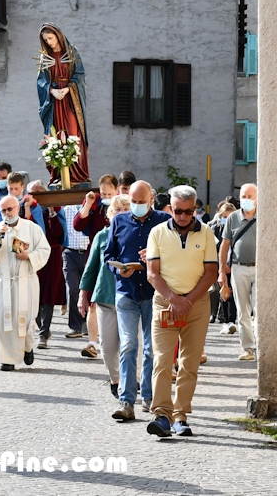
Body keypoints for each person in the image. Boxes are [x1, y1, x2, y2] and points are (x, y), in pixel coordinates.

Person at [145, 186, 218, 437]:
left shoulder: (207, 233)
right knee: (163, 360)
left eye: (188, 212)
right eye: (177, 211)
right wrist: (174, 299)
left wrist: (187, 301)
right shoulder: (157, 233)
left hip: (196, 306)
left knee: (189, 362)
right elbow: (152, 273)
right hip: (166, 303)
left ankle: (181, 416)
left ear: (195, 209)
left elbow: (211, 273)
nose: (183, 217)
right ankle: (161, 414)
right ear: (170, 209)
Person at [104, 180, 170, 422]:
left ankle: (149, 398)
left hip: (155, 293)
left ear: (151, 199)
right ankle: (127, 401)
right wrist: (118, 270)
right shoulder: (119, 221)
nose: (138, 206)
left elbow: (175, 254)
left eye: (142, 202)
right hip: (127, 292)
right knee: (129, 345)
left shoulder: (163, 221)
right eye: (134, 202)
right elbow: (108, 254)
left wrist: (154, 257)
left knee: (152, 348)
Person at [0, 195, 51, 370]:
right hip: (3, 282)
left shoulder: (31, 228)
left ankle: (27, 347)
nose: (7, 213)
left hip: (25, 281)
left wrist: (28, 256)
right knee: (4, 320)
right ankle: (8, 359)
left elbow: (45, 250)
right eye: (3, 210)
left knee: (26, 318)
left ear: (18, 208)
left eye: (10, 209)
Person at [79, 194, 131, 398]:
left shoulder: (140, 234)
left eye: (126, 208)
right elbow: (91, 268)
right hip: (106, 295)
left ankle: (131, 380)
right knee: (108, 346)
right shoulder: (102, 236)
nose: (121, 212)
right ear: (110, 214)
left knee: (130, 343)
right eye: (117, 209)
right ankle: (115, 378)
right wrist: (83, 295)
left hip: (132, 297)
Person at [36, 23, 89, 184]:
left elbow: (79, 75)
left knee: (73, 133)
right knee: (56, 135)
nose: (50, 42)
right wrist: (51, 91)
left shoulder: (72, 53)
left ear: (58, 36)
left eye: (51, 38)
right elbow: (41, 81)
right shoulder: (45, 57)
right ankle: (59, 176)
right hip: (54, 103)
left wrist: (67, 89)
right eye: (46, 40)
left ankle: (77, 175)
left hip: (70, 100)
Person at [72, 174, 118, 345]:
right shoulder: (95, 202)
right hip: (96, 254)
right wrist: (89, 204)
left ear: (117, 190)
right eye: (103, 193)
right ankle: (92, 342)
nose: (106, 197)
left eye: (109, 194)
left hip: (117, 256)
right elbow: (78, 225)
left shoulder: (121, 205)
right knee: (93, 299)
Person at [219, 183, 258, 361]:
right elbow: (224, 246)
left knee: (259, 309)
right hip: (238, 267)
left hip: (260, 268)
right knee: (243, 311)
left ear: (257, 197)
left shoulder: (263, 216)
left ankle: (260, 345)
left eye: (250, 196)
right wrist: (221, 271)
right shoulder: (233, 218)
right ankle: (248, 348)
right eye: (243, 196)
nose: (246, 200)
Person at [27, 181, 65, 350]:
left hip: (52, 255)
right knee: (34, 294)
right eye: (30, 194)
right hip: (32, 256)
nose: (33, 197)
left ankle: (44, 333)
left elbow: (58, 233)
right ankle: (39, 325)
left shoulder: (55, 209)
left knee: (48, 295)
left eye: (37, 194)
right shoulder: (25, 208)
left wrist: (51, 211)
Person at [61, 200, 91, 342]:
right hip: (70, 253)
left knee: (88, 288)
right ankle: (75, 326)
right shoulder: (68, 209)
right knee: (73, 288)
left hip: (88, 253)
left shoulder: (92, 207)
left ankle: (87, 322)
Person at [208, 202, 237, 331]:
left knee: (232, 292)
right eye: (224, 216)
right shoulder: (214, 228)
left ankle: (231, 320)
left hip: (234, 264)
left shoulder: (238, 228)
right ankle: (222, 318)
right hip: (219, 265)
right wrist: (222, 264)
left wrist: (230, 264)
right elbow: (212, 248)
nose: (227, 219)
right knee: (221, 291)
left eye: (229, 216)